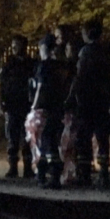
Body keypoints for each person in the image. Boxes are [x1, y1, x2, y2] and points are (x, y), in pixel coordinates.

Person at [65, 19, 110, 187]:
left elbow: (79, 77)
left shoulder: (85, 52)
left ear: (87, 33)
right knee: (102, 138)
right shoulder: (106, 52)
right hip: (103, 101)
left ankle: (84, 174)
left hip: (87, 101)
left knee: (84, 138)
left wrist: (71, 97)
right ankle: (104, 174)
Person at [31, 33, 71, 188]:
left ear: (43, 48)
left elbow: (40, 88)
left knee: (46, 140)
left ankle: (53, 176)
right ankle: (43, 175)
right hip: (59, 106)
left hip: (46, 107)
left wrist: (34, 106)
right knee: (50, 139)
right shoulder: (61, 66)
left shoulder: (44, 66)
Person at [0, 34, 36, 178]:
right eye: (13, 45)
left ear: (24, 46)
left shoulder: (31, 64)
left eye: (17, 45)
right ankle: (13, 167)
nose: (14, 48)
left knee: (27, 137)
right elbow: (0, 84)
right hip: (12, 105)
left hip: (27, 105)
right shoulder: (8, 64)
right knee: (12, 138)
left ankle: (27, 167)